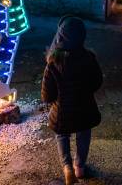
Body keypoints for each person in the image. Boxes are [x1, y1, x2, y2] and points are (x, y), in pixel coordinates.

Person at [41, 16, 103, 185]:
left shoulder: (54, 61)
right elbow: (97, 82)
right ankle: (80, 168)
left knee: (62, 135)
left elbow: (47, 95)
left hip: (62, 111)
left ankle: (67, 167)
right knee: (83, 133)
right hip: (85, 108)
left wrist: (55, 100)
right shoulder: (89, 57)